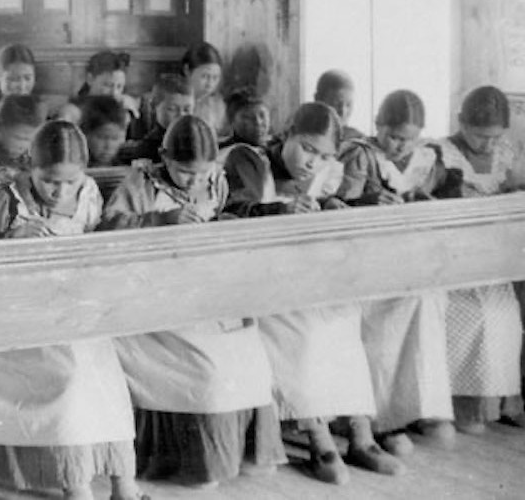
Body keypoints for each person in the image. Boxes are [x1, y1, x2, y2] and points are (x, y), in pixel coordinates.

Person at [0, 120, 147, 500]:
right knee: (71, 376)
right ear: (31, 166)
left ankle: (123, 484)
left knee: (107, 375)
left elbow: (96, 241)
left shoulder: (89, 193)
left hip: (75, 308)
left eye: (69, 182)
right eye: (49, 181)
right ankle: (75, 484)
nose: (59, 190)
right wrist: (9, 240)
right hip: (21, 318)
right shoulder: (7, 200)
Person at [104, 115, 286, 489]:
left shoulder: (215, 180)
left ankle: (243, 451)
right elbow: (106, 228)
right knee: (206, 367)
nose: (196, 182)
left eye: (202, 174)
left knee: (247, 348)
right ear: (164, 158)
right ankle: (192, 463)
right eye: (186, 173)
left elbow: (226, 215)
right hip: (151, 294)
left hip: (202, 287)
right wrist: (161, 219)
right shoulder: (140, 182)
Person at [250, 103, 406, 484]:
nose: (312, 162)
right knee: (304, 328)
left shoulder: (325, 174)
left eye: (323, 156)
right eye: (306, 148)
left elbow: (325, 208)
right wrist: (276, 211)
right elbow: (232, 209)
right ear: (287, 132)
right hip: (260, 281)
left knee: (344, 316)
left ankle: (360, 433)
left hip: (306, 274)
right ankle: (318, 437)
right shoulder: (253, 163)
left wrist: (350, 205)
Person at [335, 90, 456, 453]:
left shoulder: (426, 159)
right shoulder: (361, 155)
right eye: (392, 135)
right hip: (363, 262)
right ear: (378, 126)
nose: (399, 145)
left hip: (407, 258)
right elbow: (337, 205)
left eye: (407, 139)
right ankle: (380, 417)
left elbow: (434, 197)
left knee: (426, 301)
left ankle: (420, 407)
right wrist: (366, 203)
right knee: (384, 315)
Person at [437, 86, 525, 433]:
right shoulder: (442, 153)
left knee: (505, 314)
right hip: (456, 260)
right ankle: (465, 405)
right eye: (479, 137)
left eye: (495, 137)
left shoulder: (506, 153)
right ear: (461, 124)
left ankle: (504, 399)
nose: (488, 145)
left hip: (496, 257)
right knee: (479, 314)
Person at [118, 74, 193, 164]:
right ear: (153, 106)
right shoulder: (147, 149)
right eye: (172, 109)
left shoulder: (196, 140)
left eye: (187, 109)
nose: (181, 115)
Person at [59, 51, 140, 125]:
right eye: (107, 85)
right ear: (90, 79)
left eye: (119, 87)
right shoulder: (72, 113)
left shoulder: (127, 107)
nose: (114, 93)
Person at [181, 42, 228, 140]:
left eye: (215, 78)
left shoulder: (218, 104)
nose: (210, 84)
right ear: (187, 70)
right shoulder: (173, 99)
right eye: (205, 76)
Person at [314, 70, 364, 144]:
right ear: (318, 100)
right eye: (336, 104)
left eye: (348, 105)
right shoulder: (302, 136)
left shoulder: (357, 142)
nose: (343, 112)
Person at [79, 96, 128, 167]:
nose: (108, 146)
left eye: (115, 138)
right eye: (101, 137)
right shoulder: (75, 168)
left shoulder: (128, 164)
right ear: (86, 134)